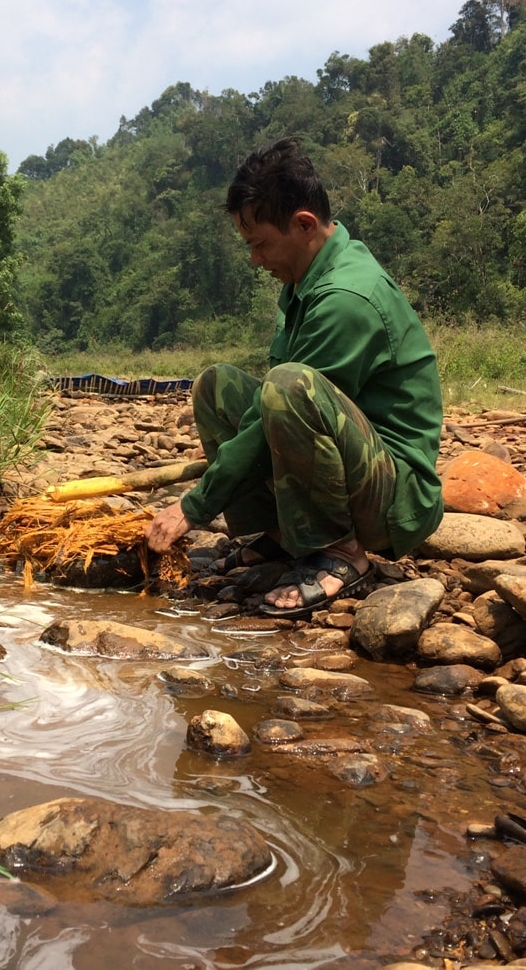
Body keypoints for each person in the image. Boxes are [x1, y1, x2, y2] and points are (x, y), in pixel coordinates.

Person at [145, 137, 444, 618]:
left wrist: (194, 507)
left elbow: (282, 406)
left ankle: (341, 550)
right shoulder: (306, 281)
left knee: (287, 385)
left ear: (304, 224)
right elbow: (262, 414)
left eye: (260, 244)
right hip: (348, 466)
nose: (255, 260)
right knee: (216, 385)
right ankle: (285, 535)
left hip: (392, 496)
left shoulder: (347, 296)